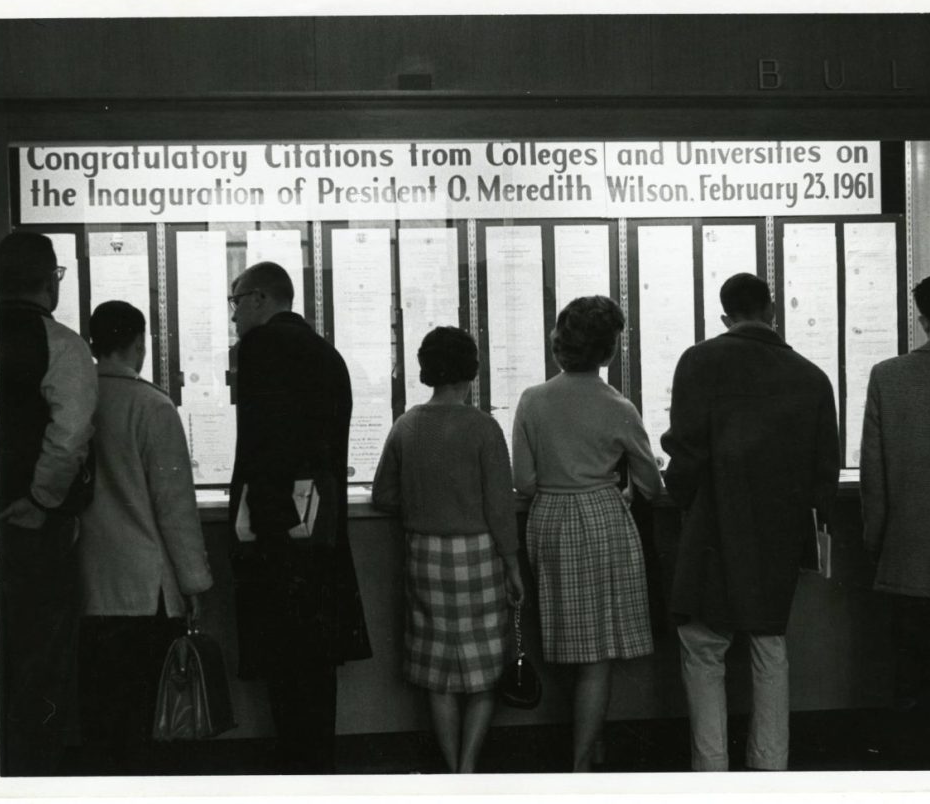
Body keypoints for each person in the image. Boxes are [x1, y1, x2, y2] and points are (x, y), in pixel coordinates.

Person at [661, 272, 840, 772]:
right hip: (779, 535)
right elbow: (824, 472)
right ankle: (770, 770)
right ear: (773, 310)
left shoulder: (699, 361)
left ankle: (711, 769)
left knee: (702, 647)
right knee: (769, 645)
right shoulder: (812, 377)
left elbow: (686, 452)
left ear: (724, 317)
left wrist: (682, 497)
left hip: (711, 529)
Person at [228, 261, 370, 774]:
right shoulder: (327, 353)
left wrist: (260, 527)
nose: (234, 315)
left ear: (262, 299)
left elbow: (262, 447)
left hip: (279, 537)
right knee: (315, 679)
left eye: (237, 301)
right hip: (321, 534)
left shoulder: (263, 347)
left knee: (285, 679)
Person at [512, 295, 662, 772]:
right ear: (607, 349)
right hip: (601, 521)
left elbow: (525, 480)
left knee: (572, 649)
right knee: (598, 658)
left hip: (548, 520)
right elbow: (652, 487)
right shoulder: (617, 406)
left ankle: (590, 758)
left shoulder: (533, 400)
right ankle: (581, 772)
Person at [372, 327, 525, 773]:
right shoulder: (483, 427)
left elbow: (383, 495)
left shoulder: (406, 424)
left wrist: (424, 500)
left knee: (437, 670)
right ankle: (468, 767)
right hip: (477, 555)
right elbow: (500, 508)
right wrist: (512, 566)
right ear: (471, 371)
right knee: (481, 668)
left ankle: (449, 765)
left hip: (424, 557)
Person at [76, 301, 213, 771]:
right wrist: (194, 582)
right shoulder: (153, 406)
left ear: (93, 343)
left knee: (101, 719)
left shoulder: (77, 398)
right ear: (140, 343)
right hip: (144, 591)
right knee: (147, 720)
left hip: (87, 584)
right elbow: (174, 506)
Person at [0, 231, 98, 775]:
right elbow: (71, 432)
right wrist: (41, 499)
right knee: (40, 668)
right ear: (51, 280)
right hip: (34, 535)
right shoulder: (60, 344)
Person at [860, 271, 930, 766]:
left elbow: (875, 478)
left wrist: (879, 548)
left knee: (915, 682)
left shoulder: (887, 376)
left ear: (920, 320)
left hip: (909, 560)